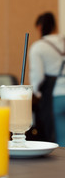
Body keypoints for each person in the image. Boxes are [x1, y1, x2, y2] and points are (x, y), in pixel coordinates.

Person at [29, 12, 65, 146]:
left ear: (39, 27)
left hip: (56, 96)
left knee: (60, 141)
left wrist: (37, 94)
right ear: (55, 25)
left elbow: (37, 77)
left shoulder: (38, 47)